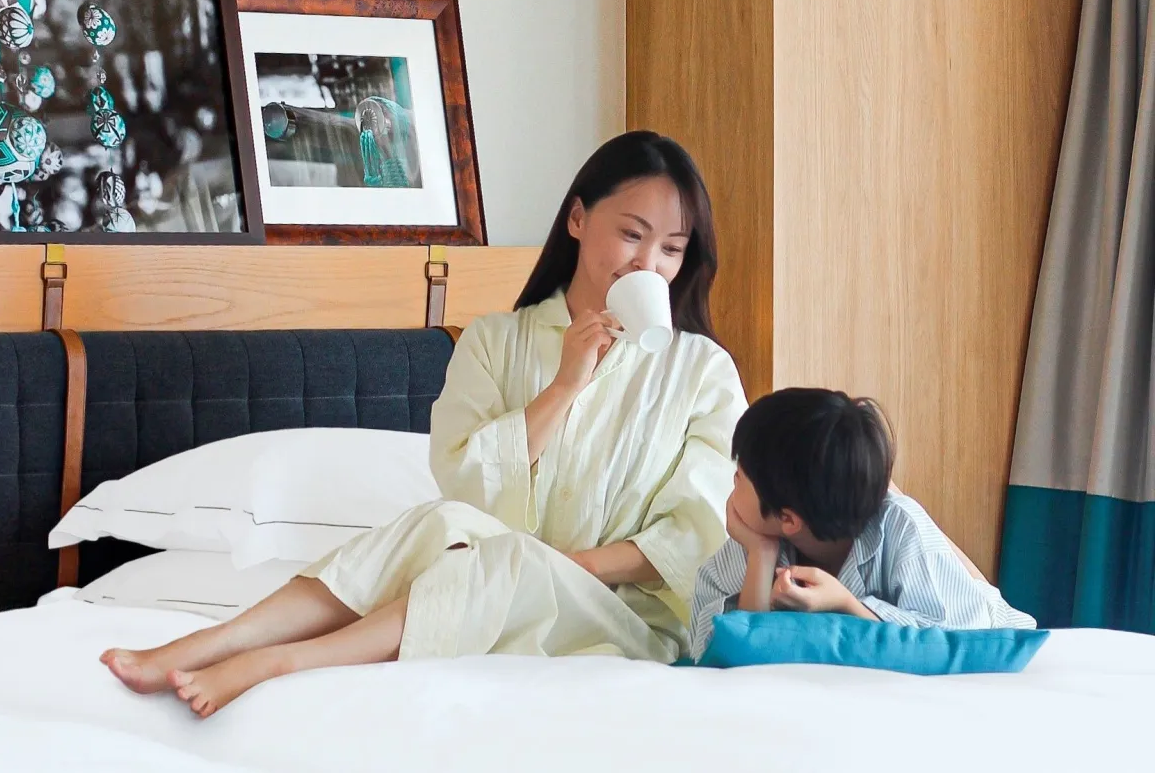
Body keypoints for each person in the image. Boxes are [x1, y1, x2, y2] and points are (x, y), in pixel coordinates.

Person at [100, 130, 748, 717]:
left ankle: (279, 662)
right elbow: (465, 486)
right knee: (443, 524)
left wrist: (558, 565)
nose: (648, 265)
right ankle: (215, 640)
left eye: (671, 249)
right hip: (493, 577)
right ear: (578, 218)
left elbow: (700, 534)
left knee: (507, 560)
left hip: (624, 623)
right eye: (632, 235)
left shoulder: (703, 371)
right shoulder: (494, 342)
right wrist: (563, 387)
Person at [689, 387, 1037, 663]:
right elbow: (717, 655)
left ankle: (891, 490)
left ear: (789, 518)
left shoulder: (899, 528)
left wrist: (846, 604)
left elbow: (955, 640)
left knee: (911, 518)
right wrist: (760, 557)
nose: (732, 479)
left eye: (740, 475)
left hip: (985, 618)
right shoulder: (755, 538)